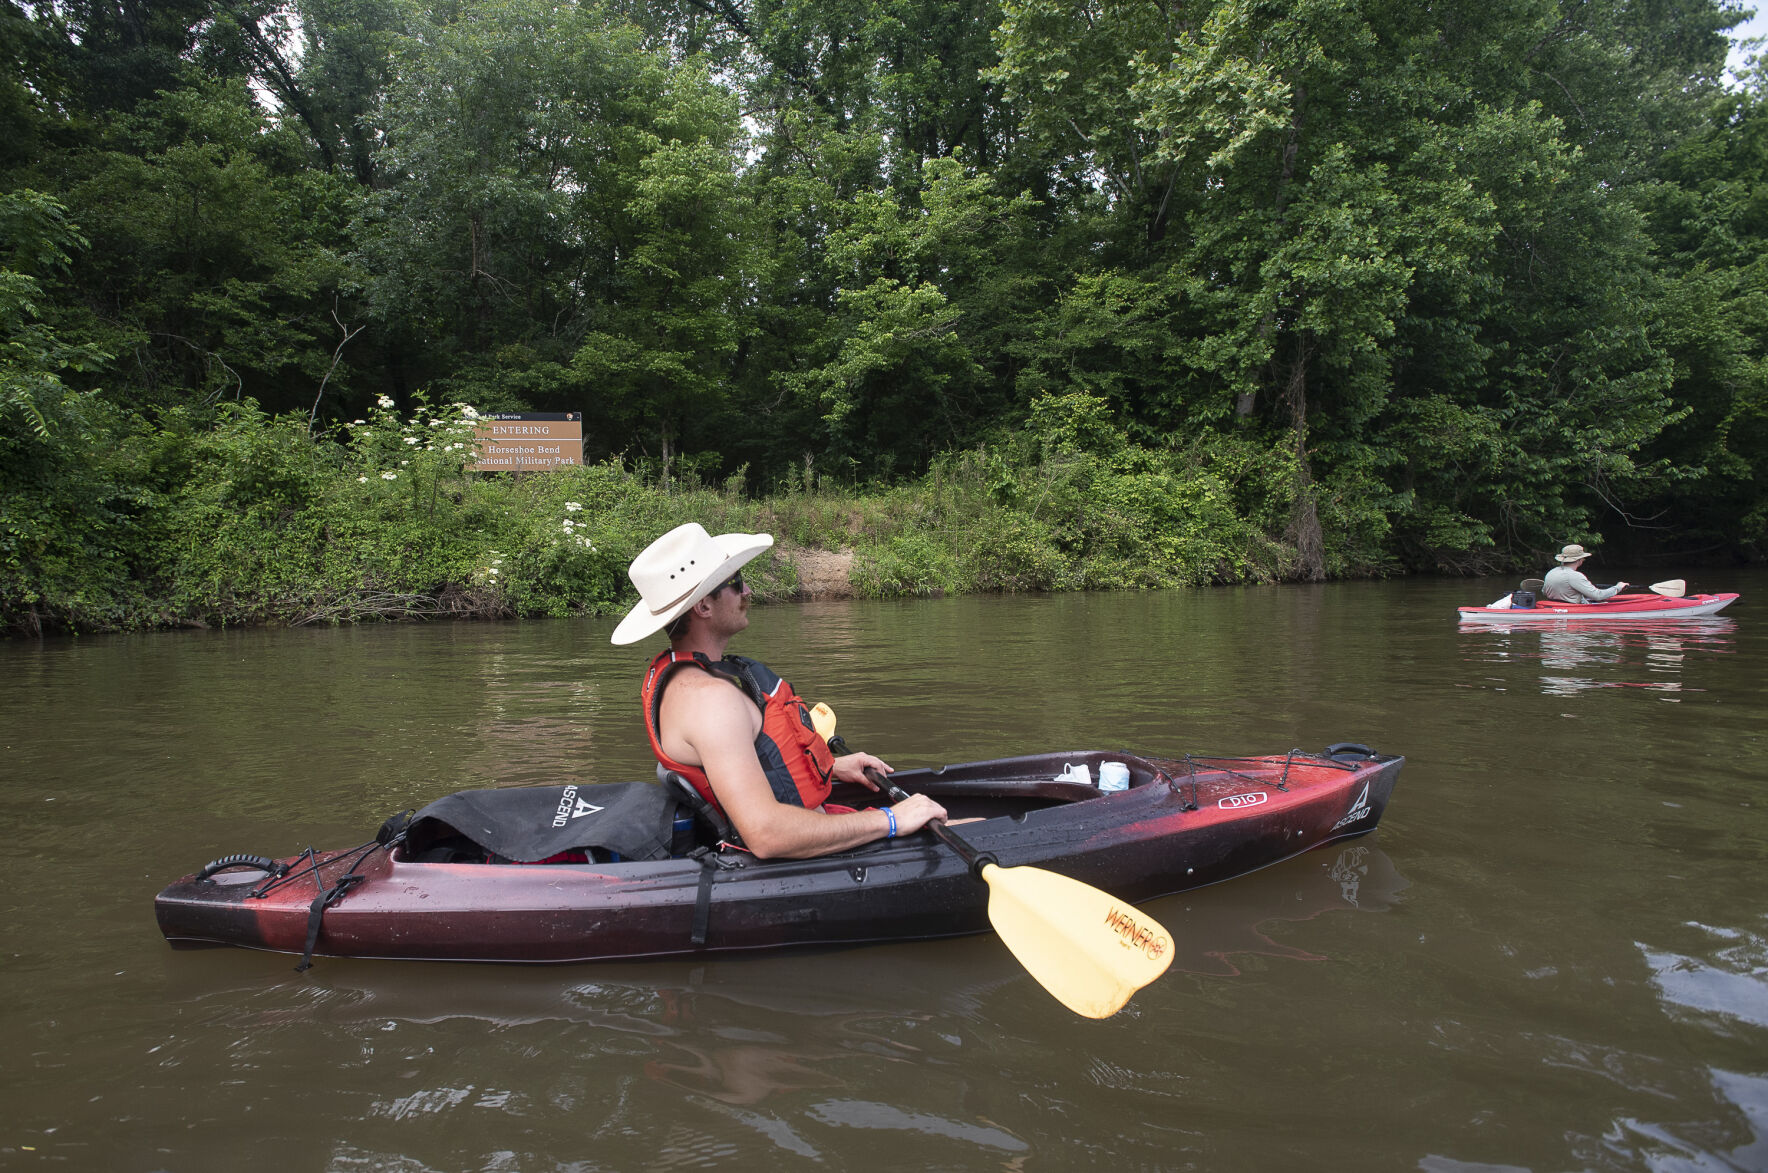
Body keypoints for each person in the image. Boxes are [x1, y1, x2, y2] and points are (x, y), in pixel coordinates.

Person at [610, 522, 950, 859]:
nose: (747, 592)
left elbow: (750, 764)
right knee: (971, 827)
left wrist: (828, 766)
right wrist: (891, 819)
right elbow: (767, 834)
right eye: (736, 583)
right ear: (703, 607)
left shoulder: (685, 676)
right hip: (803, 855)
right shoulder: (710, 701)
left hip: (804, 827)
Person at [1542, 544, 1628, 603]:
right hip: (1572, 610)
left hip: (1553, 606)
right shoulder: (1576, 576)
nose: (1583, 560)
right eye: (1582, 558)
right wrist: (1618, 587)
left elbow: (1544, 592)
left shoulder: (1551, 572)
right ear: (1579, 560)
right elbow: (1598, 596)